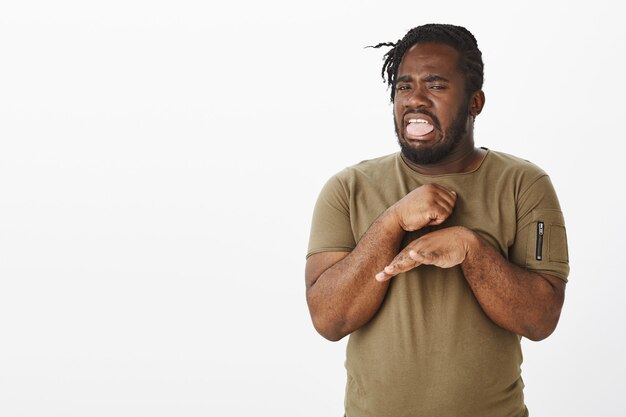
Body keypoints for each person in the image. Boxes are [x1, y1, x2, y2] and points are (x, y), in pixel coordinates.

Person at [305, 23, 569, 417]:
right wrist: (392, 222)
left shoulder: (524, 184)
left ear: (475, 102)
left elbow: (540, 320)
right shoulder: (348, 188)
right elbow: (329, 319)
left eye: (436, 85)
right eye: (403, 86)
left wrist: (471, 248)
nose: (415, 100)